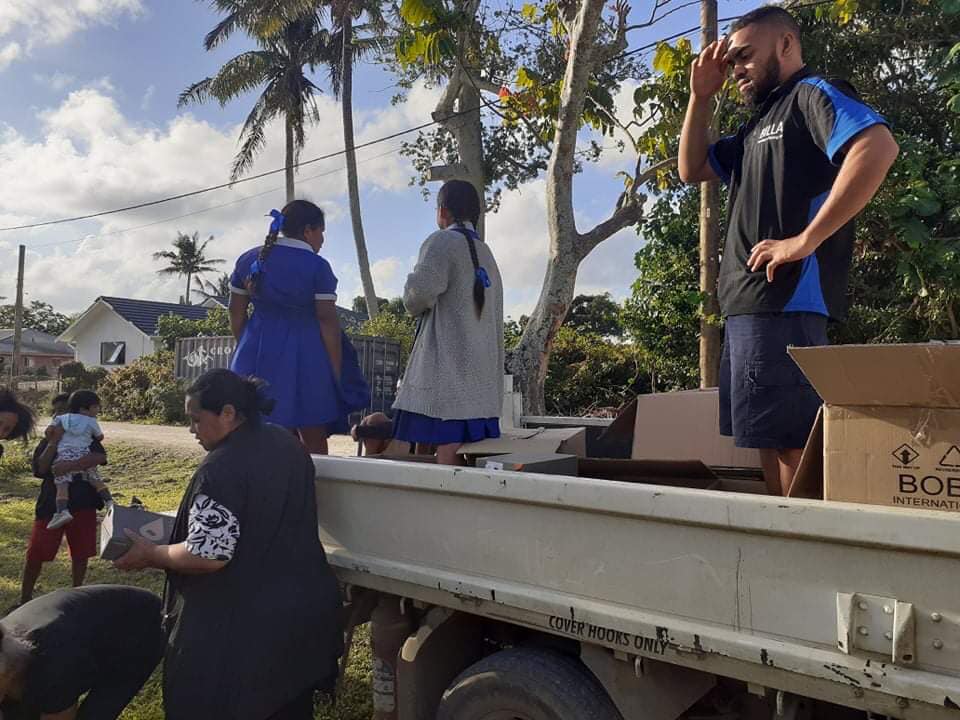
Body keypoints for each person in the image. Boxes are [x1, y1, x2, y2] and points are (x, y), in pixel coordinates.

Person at [678, 6, 899, 496]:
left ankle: (809, 554)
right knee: (767, 438)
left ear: (785, 45)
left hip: (786, 300)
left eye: (745, 56)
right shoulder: (757, 124)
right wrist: (700, 97)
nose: (735, 68)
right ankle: (785, 546)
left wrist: (806, 240)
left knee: (794, 445)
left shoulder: (811, 94)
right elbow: (691, 169)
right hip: (748, 306)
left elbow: (877, 146)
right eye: (731, 60)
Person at [114, 369, 343, 720]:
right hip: (297, 618)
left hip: (239, 634)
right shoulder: (286, 443)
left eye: (195, 419)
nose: (191, 430)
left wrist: (152, 553)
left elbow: (208, 554)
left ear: (228, 413)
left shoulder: (222, 467)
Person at [228, 200, 369, 455]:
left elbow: (236, 314)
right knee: (311, 433)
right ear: (308, 231)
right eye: (321, 232)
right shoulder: (317, 266)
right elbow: (326, 320)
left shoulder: (248, 259)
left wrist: (245, 346)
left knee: (250, 430)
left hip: (253, 352)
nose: (322, 240)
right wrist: (335, 369)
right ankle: (311, 490)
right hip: (305, 355)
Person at [392, 180, 504, 466]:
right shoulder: (487, 253)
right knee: (466, 454)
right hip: (481, 380)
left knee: (446, 452)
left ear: (443, 211)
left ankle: (444, 509)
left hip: (448, 375)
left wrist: (409, 282)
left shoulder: (441, 242)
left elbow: (415, 299)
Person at [0, 585, 164, 720]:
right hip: (76, 631)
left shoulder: (53, 664)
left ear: (7, 672)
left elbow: (58, 715)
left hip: (140, 629)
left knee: (94, 714)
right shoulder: (11, 658)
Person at [19, 395, 107, 606]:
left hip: (84, 503)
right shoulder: (47, 441)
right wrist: (54, 442)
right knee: (36, 554)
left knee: (81, 553)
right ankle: (24, 599)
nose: (60, 416)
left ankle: (76, 595)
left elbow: (100, 457)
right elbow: (41, 468)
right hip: (51, 505)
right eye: (56, 412)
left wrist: (71, 465)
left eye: (64, 412)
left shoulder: (87, 437)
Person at [45, 390, 113, 530]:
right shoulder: (92, 421)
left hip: (65, 455)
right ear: (83, 408)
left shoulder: (63, 419)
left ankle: (62, 511)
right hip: (84, 454)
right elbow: (100, 437)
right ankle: (110, 502)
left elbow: (49, 430)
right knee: (95, 479)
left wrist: (54, 435)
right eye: (95, 407)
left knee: (62, 484)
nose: (98, 410)